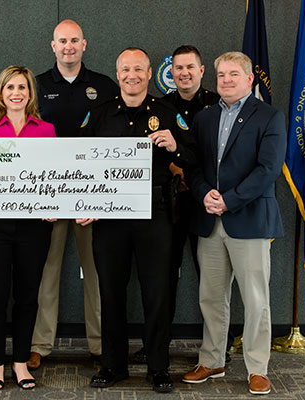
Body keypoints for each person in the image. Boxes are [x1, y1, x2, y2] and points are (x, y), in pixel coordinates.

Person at [79, 48, 197, 393]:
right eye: (125, 69)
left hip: (155, 214)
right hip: (109, 216)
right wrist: (82, 201)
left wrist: (174, 145)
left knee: (157, 292)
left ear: (150, 74)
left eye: (138, 69)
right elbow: (77, 162)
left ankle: (159, 367)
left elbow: (193, 156)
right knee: (110, 290)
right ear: (118, 74)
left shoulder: (167, 112)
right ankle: (112, 365)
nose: (132, 75)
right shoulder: (98, 114)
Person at [181, 51, 286, 396]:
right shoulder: (205, 118)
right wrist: (204, 194)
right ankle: (212, 360)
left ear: (249, 79)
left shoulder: (269, 117)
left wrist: (230, 199)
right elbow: (193, 167)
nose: (226, 80)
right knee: (211, 297)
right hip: (210, 220)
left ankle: (257, 367)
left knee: (256, 299)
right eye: (221, 75)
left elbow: (267, 171)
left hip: (249, 220)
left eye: (233, 74)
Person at [28, 19, 118, 370]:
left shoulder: (104, 86)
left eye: (74, 41)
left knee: (95, 272)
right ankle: (39, 345)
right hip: (48, 194)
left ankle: (99, 345)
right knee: (46, 270)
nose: (68, 46)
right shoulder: (35, 85)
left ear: (84, 44)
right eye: (62, 41)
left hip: (91, 196)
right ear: (53, 45)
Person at [0, 65, 55, 391]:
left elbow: (55, 177)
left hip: (34, 226)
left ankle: (20, 362)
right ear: (0, 94)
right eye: (9, 88)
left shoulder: (46, 130)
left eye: (22, 87)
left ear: (30, 93)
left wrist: (54, 207)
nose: (16, 93)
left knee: (28, 296)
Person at [133, 45, 220, 364]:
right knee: (162, 277)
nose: (183, 73)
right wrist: (176, 170)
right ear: (170, 72)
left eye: (189, 67)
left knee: (212, 279)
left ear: (201, 70)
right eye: (177, 68)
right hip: (170, 201)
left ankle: (216, 346)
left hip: (208, 201)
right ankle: (156, 344)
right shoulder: (160, 106)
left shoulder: (217, 104)